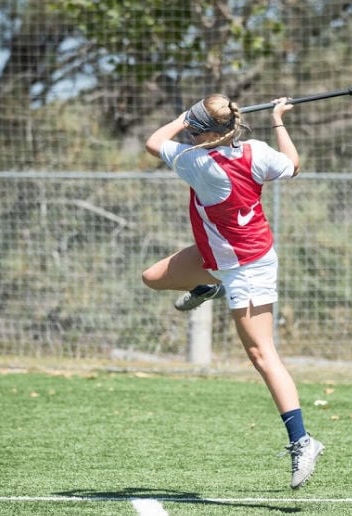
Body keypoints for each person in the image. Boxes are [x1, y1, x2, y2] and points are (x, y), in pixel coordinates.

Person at [141, 93, 324, 489]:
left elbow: (154, 142)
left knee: (262, 353)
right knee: (153, 277)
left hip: (248, 267)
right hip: (217, 255)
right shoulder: (256, 151)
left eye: (193, 128)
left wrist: (179, 117)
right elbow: (292, 165)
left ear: (203, 133)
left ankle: (303, 440)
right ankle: (208, 286)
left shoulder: (198, 163)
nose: (187, 133)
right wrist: (278, 119)